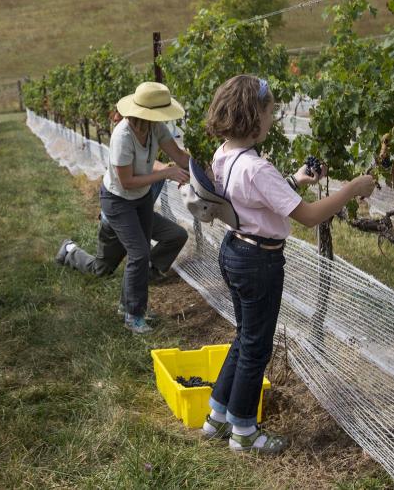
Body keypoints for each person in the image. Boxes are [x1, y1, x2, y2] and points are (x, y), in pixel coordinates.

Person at [200, 75, 375, 454]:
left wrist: (295, 180)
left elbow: (258, 200)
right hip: (259, 261)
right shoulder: (257, 168)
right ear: (254, 116)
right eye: (269, 112)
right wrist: (351, 190)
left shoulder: (224, 154)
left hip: (234, 250)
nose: (273, 118)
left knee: (244, 337)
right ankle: (244, 431)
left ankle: (217, 415)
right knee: (256, 348)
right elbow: (309, 217)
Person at [58, 82, 191, 334]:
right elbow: (127, 182)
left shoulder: (156, 128)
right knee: (139, 253)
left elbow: (179, 155)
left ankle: (128, 304)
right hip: (118, 201)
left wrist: (206, 172)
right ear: (145, 113)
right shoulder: (123, 137)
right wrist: (167, 173)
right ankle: (133, 316)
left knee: (140, 255)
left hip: (139, 199)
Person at [56, 166, 188, 285]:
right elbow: (145, 165)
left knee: (176, 235)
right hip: (118, 218)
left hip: (142, 215)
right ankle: (69, 250)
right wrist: (168, 170)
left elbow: (180, 157)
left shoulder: (159, 150)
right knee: (101, 270)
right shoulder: (136, 149)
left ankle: (149, 272)